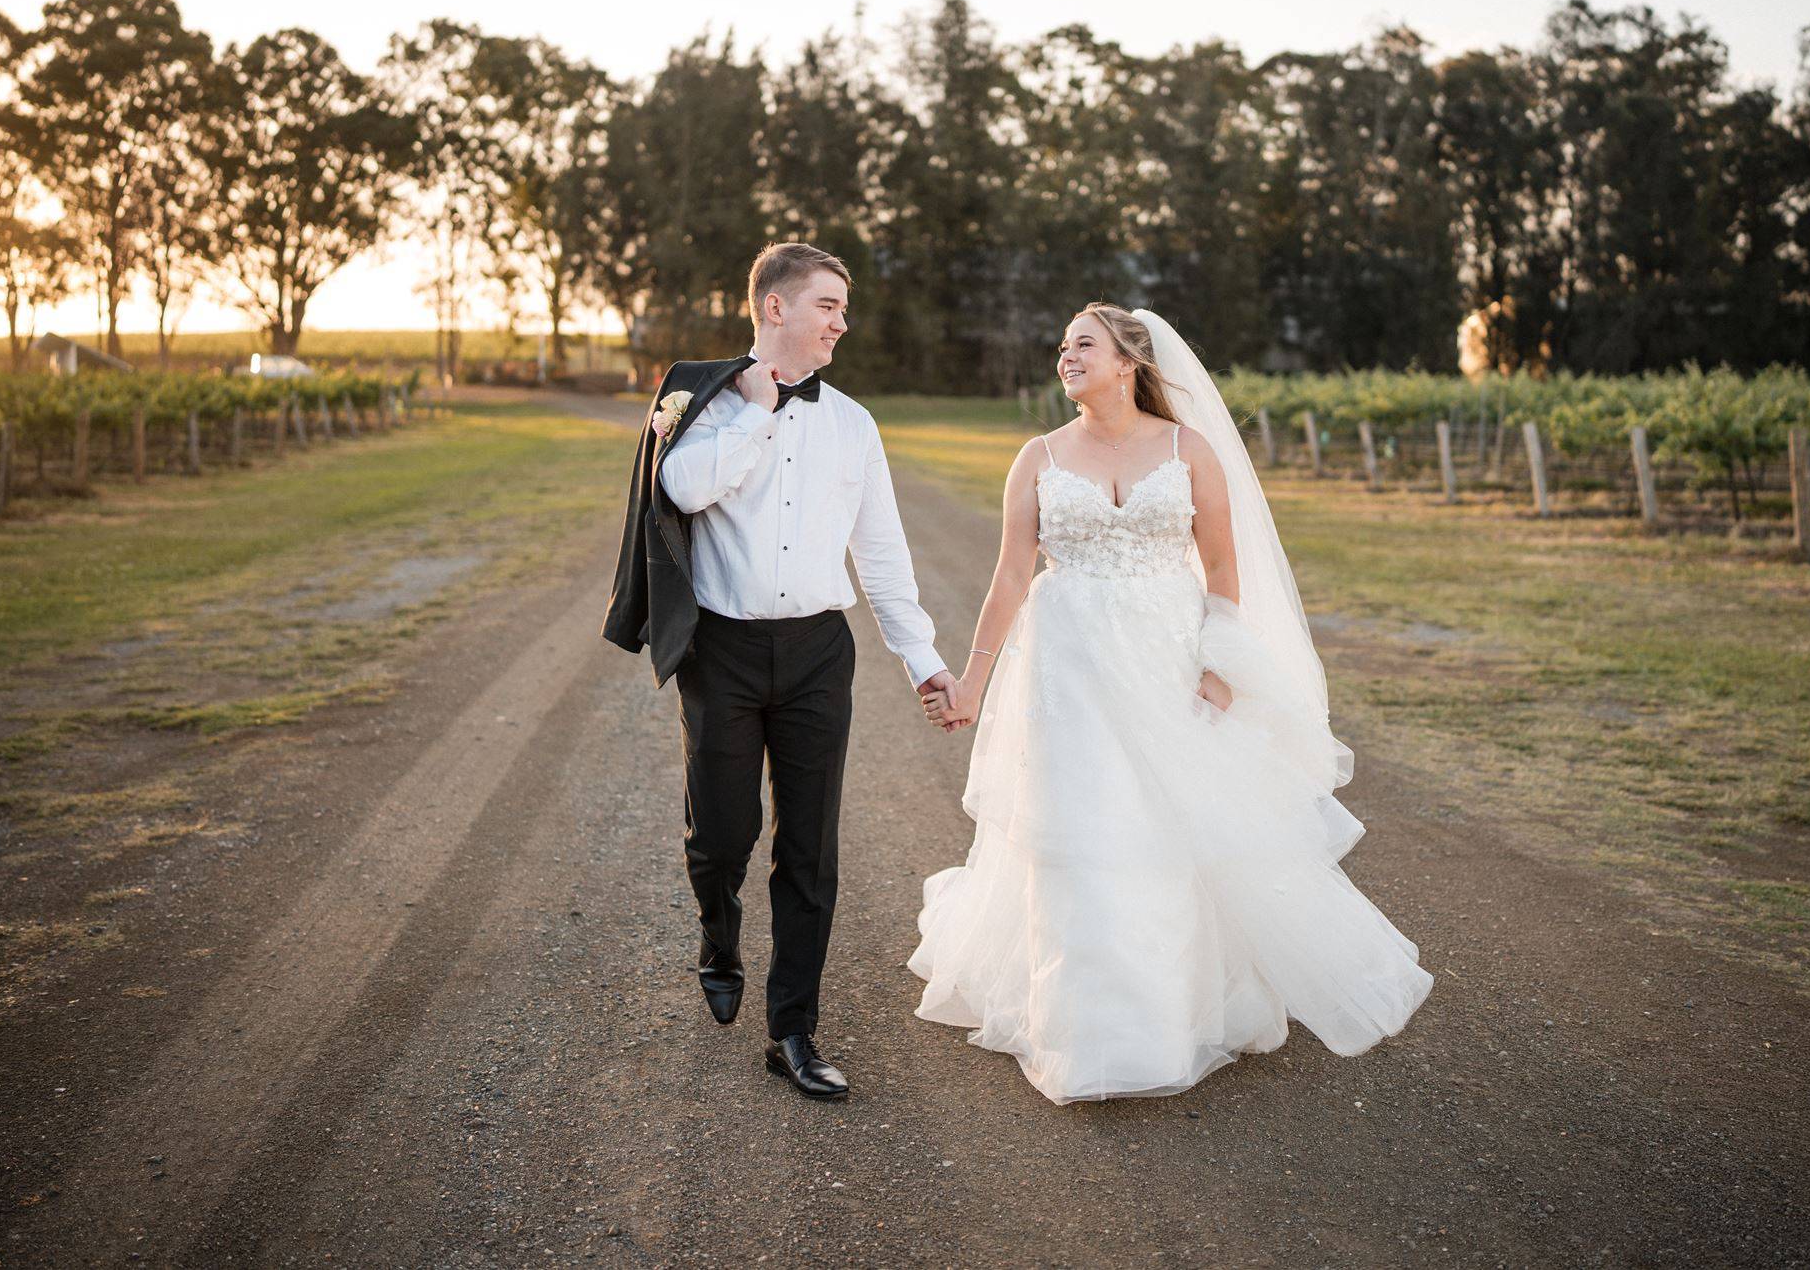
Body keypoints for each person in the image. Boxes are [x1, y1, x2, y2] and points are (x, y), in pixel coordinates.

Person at [910, 303, 1433, 1105]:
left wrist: (1219, 670)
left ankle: (1167, 1014)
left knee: (1161, 831)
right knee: (1081, 831)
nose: (1066, 356)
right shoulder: (1038, 456)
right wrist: (973, 684)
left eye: (1082, 343)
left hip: (1166, 658)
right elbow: (1011, 577)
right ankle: (1087, 1032)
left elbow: (1223, 566)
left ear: (1129, 360)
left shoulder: (1190, 450)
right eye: (1062, 348)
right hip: (1067, 667)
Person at [603, 242, 957, 1101]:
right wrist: (758, 412)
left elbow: (881, 554)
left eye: (843, 306)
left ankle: (793, 1028)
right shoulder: (710, 407)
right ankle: (717, 936)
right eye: (829, 304)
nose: (843, 321)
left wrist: (924, 660)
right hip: (720, 652)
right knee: (723, 834)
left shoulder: (855, 425)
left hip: (815, 655)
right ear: (774, 308)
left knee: (811, 846)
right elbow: (682, 491)